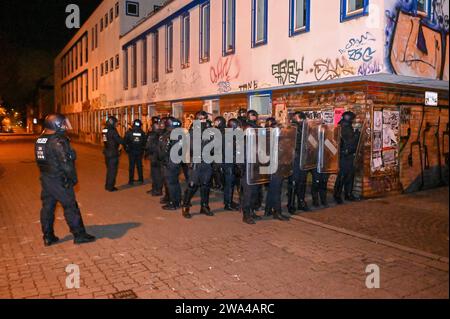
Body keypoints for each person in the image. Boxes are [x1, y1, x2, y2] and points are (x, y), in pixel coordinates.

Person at [35, 114, 95, 246]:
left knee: (47, 208)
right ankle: (79, 235)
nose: (64, 126)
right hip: (59, 179)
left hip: (46, 179)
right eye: (62, 124)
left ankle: (48, 236)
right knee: (70, 206)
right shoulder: (58, 141)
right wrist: (73, 179)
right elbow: (66, 163)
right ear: (55, 125)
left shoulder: (40, 139)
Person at [182, 111, 214, 219]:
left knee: (205, 184)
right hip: (196, 160)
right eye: (201, 119)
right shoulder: (193, 131)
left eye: (204, 119)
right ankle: (185, 206)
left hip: (207, 160)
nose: (203, 121)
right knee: (192, 185)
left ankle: (204, 206)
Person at [264, 118, 289, 221]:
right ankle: (277, 212)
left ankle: (268, 210)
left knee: (272, 190)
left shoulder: (271, 138)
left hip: (276, 166)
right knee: (276, 190)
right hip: (274, 167)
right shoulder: (272, 139)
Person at [334, 111, 361, 204]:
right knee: (342, 176)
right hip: (344, 156)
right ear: (349, 118)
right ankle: (338, 195)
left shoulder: (345, 126)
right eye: (352, 119)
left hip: (349, 155)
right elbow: (349, 142)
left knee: (350, 176)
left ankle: (348, 194)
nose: (353, 120)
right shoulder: (342, 127)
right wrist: (357, 135)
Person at [287, 111, 311, 214]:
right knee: (293, 181)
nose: (294, 118)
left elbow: (311, 141)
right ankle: (291, 204)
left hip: (303, 157)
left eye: (295, 117)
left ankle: (301, 201)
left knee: (302, 181)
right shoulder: (292, 128)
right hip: (295, 157)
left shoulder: (306, 129)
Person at [159, 117, 183, 210]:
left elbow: (164, 150)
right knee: (175, 182)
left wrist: (162, 158)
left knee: (171, 183)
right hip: (177, 161)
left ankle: (173, 203)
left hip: (170, 162)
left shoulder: (169, 135)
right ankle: (178, 200)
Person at [102, 116, 124, 192]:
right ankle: (110, 187)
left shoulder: (104, 129)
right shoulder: (112, 130)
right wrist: (125, 140)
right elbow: (119, 140)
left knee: (109, 170)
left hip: (107, 151)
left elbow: (105, 140)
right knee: (112, 171)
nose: (116, 124)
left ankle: (107, 185)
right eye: (116, 122)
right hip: (113, 153)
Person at [223, 118, 241, 211]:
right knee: (229, 185)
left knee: (231, 184)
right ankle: (228, 204)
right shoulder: (228, 137)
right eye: (237, 126)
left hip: (231, 163)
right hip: (228, 164)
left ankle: (229, 201)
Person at [124, 119, 147, 185]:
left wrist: (126, 150)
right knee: (139, 166)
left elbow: (125, 141)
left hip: (131, 152)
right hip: (139, 152)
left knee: (131, 166)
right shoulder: (142, 133)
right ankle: (141, 179)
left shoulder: (129, 132)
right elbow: (145, 142)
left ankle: (131, 180)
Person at [146, 116, 164, 196]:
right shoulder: (161, 133)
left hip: (155, 157)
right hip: (157, 157)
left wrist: (147, 153)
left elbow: (149, 146)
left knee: (156, 174)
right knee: (155, 174)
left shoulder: (153, 134)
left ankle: (157, 190)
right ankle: (155, 188)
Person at [211, 116, 226, 191]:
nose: (214, 123)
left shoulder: (219, 131)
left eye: (215, 122)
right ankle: (221, 185)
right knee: (219, 170)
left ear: (219, 122)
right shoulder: (225, 130)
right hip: (223, 154)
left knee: (217, 170)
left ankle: (220, 185)